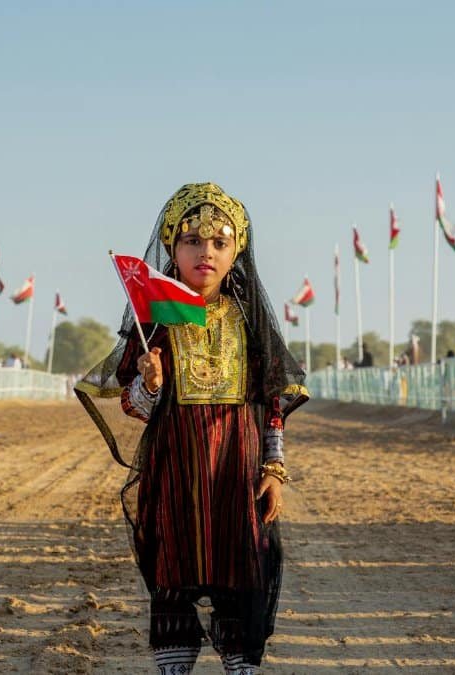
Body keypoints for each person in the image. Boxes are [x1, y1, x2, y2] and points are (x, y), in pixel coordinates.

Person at [75, 182, 308, 673]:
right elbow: (136, 408)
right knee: (173, 577)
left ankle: (241, 666)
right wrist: (151, 384)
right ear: (172, 249)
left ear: (236, 251)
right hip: (174, 468)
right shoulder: (155, 319)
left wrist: (274, 469)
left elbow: (269, 403)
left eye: (220, 242)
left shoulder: (249, 324)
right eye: (193, 242)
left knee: (241, 574)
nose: (206, 252)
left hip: (237, 471)